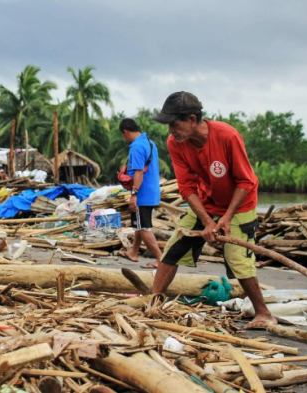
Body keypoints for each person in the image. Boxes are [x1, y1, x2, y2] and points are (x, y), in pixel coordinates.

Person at [153, 91, 276, 329]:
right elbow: (187, 187)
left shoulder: (227, 136)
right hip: (206, 204)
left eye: (174, 124)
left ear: (191, 119)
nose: (171, 131)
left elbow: (245, 181)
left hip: (239, 205)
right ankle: (153, 301)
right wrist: (208, 221)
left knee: (238, 258)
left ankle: (263, 313)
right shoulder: (176, 143)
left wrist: (227, 218)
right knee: (173, 248)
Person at [118, 118, 163, 269]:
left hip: (142, 194)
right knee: (139, 225)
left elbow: (138, 173)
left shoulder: (136, 146)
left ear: (126, 132)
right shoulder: (150, 143)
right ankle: (133, 252)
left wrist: (134, 194)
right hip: (152, 192)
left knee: (143, 228)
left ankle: (161, 259)